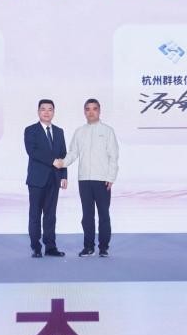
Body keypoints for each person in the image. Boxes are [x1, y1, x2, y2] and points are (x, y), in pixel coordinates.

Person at [54, 99, 118, 257]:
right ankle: (88, 247)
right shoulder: (80, 132)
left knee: (103, 215)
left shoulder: (107, 131)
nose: (91, 112)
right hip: (84, 180)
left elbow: (113, 156)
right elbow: (72, 153)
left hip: (102, 180)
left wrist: (111, 177)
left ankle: (103, 248)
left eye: (94, 109)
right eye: (88, 109)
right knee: (87, 216)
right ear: (84, 112)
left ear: (99, 111)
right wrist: (62, 163)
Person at [24, 99, 68, 258]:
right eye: (43, 109)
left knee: (50, 215)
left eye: (50, 109)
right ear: (38, 112)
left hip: (54, 179)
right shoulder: (31, 130)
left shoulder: (59, 131)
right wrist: (52, 161)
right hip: (37, 180)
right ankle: (36, 247)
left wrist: (64, 175)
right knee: (35, 214)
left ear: (54, 112)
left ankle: (50, 247)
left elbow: (63, 154)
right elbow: (32, 151)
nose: (46, 112)